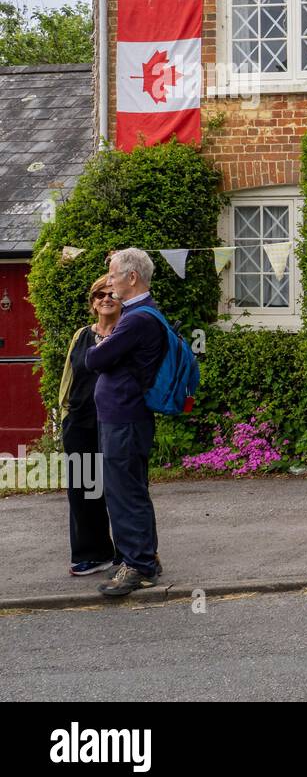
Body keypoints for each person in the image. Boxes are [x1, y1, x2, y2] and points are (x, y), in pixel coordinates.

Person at [85, 248, 167, 596]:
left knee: (123, 493)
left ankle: (137, 566)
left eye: (115, 275)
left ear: (132, 278)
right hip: (127, 417)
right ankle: (145, 559)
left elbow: (94, 358)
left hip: (124, 418)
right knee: (133, 490)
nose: (111, 282)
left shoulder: (136, 319)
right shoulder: (143, 314)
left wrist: (101, 345)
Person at [56, 275, 121, 576]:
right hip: (80, 422)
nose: (106, 299)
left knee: (118, 488)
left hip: (115, 422)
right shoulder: (81, 334)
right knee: (83, 490)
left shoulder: (127, 332)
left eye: (112, 293)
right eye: (100, 295)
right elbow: (69, 375)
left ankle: (127, 554)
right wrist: (65, 413)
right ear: (93, 302)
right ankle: (92, 554)